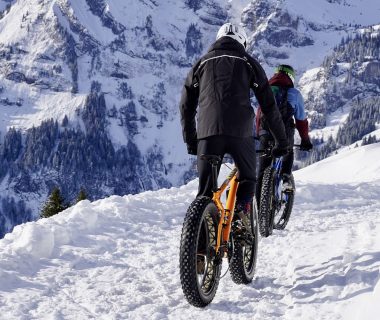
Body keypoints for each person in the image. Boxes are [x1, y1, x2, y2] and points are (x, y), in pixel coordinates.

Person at [179, 23, 289, 221]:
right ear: (242, 42)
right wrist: (281, 141)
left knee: (205, 192)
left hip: (208, 132)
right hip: (240, 132)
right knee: (248, 178)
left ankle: (201, 243)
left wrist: (191, 140)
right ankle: (239, 217)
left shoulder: (201, 63)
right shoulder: (248, 62)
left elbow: (186, 106)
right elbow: (269, 107)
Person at [256, 64, 313, 200]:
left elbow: (259, 115)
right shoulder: (294, 94)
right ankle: (286, 177)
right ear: (291, 77)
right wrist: (305, 140)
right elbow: (301, 120)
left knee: (263, 172)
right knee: (288, 153)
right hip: (285, 133)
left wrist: (260, 134)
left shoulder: (266, 90)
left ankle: (259, 213)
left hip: (265, 132)